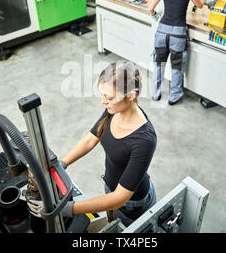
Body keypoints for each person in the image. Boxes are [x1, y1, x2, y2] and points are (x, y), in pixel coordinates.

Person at [60, 60, 157, 227]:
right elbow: (91, 138)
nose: (103, 102)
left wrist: (69, 209)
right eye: (103, 95)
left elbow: (120, 197)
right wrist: (61, 164)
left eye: (109, 97)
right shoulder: (114, 109)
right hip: (110, 188)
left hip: (132, 205)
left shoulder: (144, 140)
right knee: (112, 224)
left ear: (131, 96)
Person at [148, 0, 205, 105]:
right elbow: (200, 5)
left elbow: (150, 9)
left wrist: (156, 17)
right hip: (178, 35)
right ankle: (174, 96)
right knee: (177, 67)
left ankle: (155, 94)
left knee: (158, 65)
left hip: (161, 33)